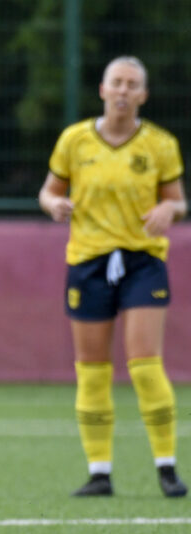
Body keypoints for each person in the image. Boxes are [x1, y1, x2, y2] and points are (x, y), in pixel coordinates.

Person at [38, 55, 187, 499]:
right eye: (116, 82)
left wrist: (168, 208)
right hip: (88, 262)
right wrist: (53, 205)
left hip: (142, 261)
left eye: (132, 84)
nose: (123, 91)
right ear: (102, 90)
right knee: (93, 371)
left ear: (143, 95)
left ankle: (167, 467)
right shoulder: (75, 140)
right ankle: (99, 472)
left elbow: (178, 202)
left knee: (144, 364)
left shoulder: (160, 144)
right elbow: (49, 190)